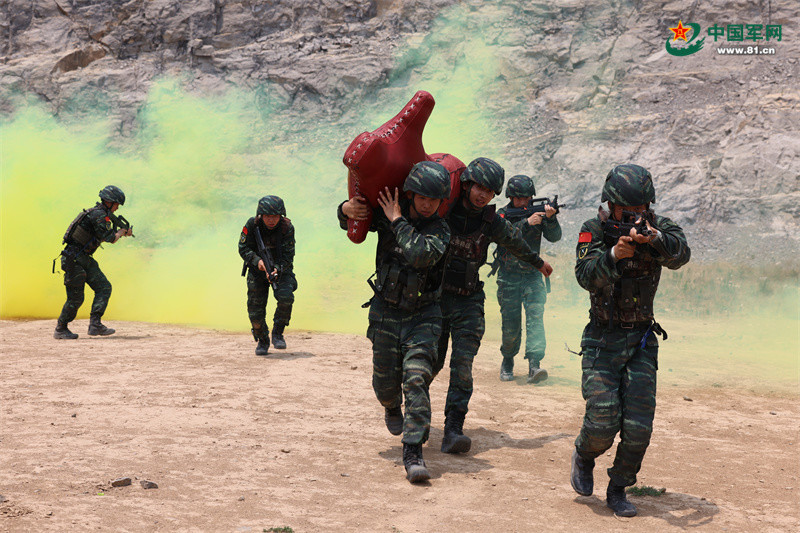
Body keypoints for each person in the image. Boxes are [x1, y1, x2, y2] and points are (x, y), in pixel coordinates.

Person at [570, 164, 691, 517]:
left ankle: (619, 486)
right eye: (628, 211)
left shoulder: (660, 228)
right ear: (611, 205)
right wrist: (614, 256)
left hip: (640, 341)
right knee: (602, 420)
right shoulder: (592, 230)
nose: (635, 217)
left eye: (641, 210)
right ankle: (584, 453)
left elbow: (681, 254)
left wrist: (653, 239)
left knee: (639, 426)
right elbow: (584, 274)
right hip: (602, 340)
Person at [338, 161, 451, 483]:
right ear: (411, 194)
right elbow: (355, 218)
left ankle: (413, 451)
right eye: (422, 197)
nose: (427, 204)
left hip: (423, 316)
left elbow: (421, 255)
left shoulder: (440, 229)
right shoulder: (388, 212)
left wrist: (397, 220)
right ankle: (391, 407)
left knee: (416, 378)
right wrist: (345, 208)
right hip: (386, 313)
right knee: (385, 386)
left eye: (434, 199)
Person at [434, 158, 553, 454]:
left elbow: (514, 242)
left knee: (462, 366)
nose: (482, 195)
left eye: (489, 191)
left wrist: (539, 263)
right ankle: (416, 415)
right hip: (435, 299)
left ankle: (453, 429)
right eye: (479, 187)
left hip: (469, 300)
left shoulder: (491, 221)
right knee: (429, 362)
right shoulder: (441, 210)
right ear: (466, 185)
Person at [495, 174, 562, 383]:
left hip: (533, 275)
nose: (523, 202)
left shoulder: (538, 213)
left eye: (526, 198)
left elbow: (555, 236)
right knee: (511, 323)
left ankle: (534, 364)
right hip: (508, 276)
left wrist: (550, 219)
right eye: (518, 198)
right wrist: (526, 223)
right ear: (510, 197)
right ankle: (507, 359)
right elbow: (501, 237)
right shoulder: (502, 215)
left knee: (535, 319)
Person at [54, 186, 133, 339]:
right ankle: (61, 328)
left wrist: (121, 232)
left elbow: (105, 234)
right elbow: (111, 238)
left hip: (82, 258)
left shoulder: (101, 214)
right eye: (116, 204)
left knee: (104, 287)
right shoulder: (98, 215)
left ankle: (95, 325)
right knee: (76, 298)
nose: (117, 208)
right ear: (109, 202)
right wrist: (122, 232)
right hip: (74, 259)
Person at [239, 195, 297, 355]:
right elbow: (243, 248)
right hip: (257, 271)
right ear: (261, 215)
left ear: (281, 216)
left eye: (275, 217)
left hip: (280, 270)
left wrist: (277, 268)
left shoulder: (287, 228)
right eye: (268, 217)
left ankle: (278, 332)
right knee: (255, 314)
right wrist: (257, 261)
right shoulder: (252, 225)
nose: (271, 220)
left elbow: (288, 255)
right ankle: (262, 340)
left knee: (286, 298)